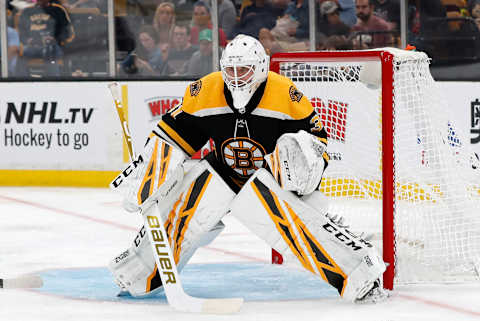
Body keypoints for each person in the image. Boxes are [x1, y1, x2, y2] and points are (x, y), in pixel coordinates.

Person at [108, 34, 388, 304]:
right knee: (181, 205)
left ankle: (359, 272)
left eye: (244, 69)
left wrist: (302, 166)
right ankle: (141, 272)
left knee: (292, 225)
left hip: (267, 178)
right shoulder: (204, 91)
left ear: (261, 68)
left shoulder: (284, 94)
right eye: (230, 69)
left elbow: (317, 143)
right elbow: (170, 136)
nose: (236, 76)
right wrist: (150, 171)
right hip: (222, 171)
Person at [16, 0, 75, 76]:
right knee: (21, 55)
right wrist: (27, 40)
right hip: (32, 46)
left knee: (50, 51)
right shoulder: (27, 11)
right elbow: (21, 32)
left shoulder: (58, 10)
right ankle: (21, 82)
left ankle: (52, 81)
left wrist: (55, 39)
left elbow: (67, 32)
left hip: (53, 46)